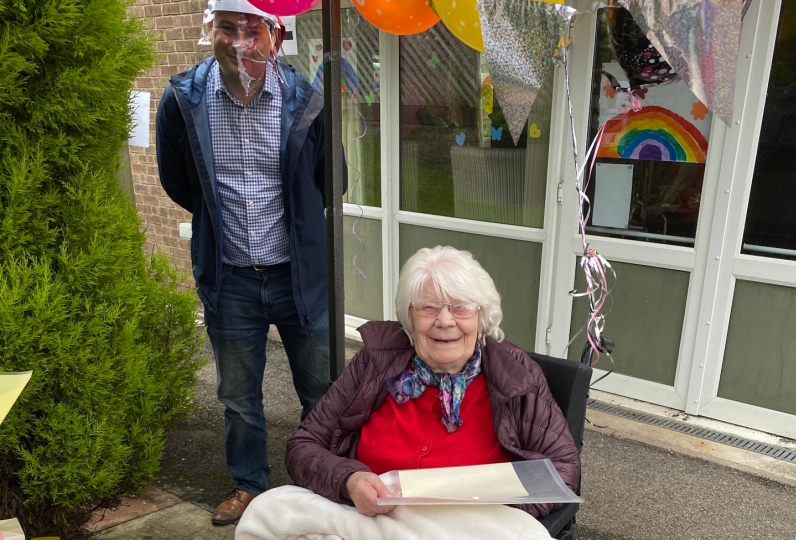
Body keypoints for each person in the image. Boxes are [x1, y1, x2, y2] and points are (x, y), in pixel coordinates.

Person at [235, 245, 580, 538]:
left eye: (460, 306)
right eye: (428, 307)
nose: (445, 321)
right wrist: (349, 480)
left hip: (463, 528)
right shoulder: (376, 361)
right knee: (265, 512)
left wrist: (483, 510)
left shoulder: (516, 375)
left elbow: (563, 469)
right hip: (365, 517)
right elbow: (303, 445)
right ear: (409, 320)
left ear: (482, 317)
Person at [155, 0, 345, 526]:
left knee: (323, 391)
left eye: (252, 28)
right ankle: (249, 486)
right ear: (210, 31)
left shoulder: (306, 98)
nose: (240, 40)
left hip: (298, 277)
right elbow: (177, 181)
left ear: (275, 36)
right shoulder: (182, 101)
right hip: (230, 277)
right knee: (238, 396)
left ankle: (322, 478)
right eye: (227, 27)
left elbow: (335, 182)